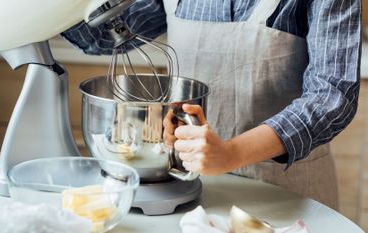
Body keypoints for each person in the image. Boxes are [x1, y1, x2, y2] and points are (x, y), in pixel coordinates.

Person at [61, 0, 361, 209]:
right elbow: (102, 36)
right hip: (189, 191)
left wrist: (232, 153)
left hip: (287, 195)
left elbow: (332, 96)